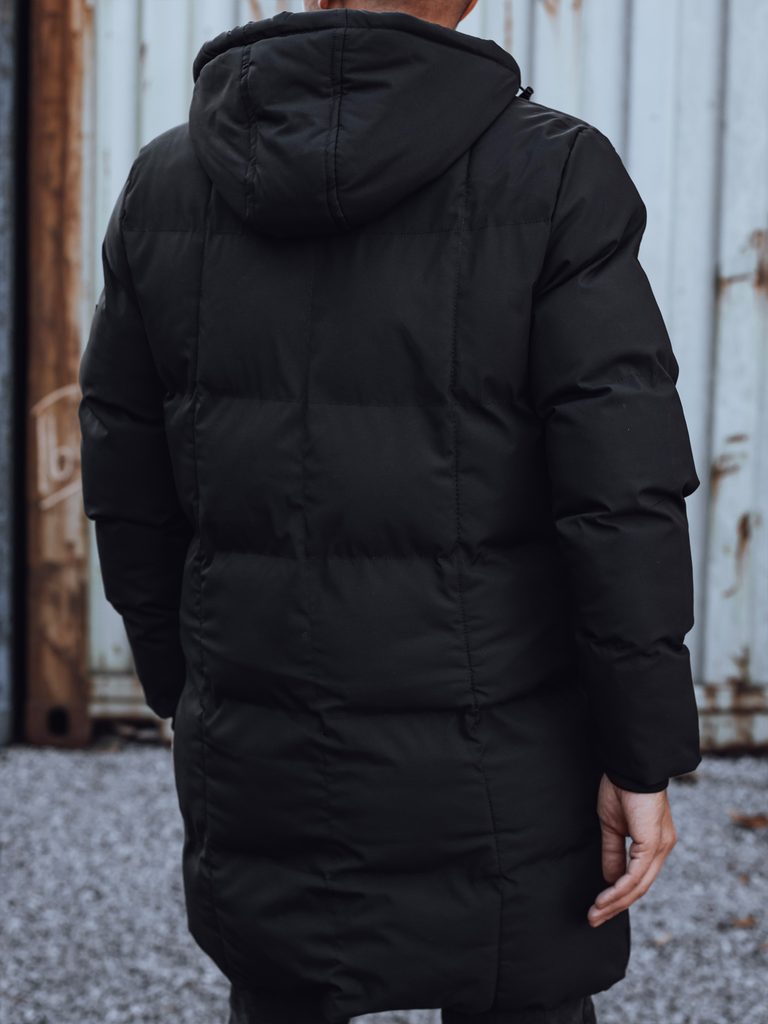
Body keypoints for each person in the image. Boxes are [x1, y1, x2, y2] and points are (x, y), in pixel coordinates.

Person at [77, 2, 702, 1023]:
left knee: (285, 992)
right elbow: (619, 494)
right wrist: (642, 749)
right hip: (508, 753)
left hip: (265, 739)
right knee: (518, 993)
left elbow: (125, 474)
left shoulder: (168, 183)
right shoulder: (553, 174)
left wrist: (185, 692)